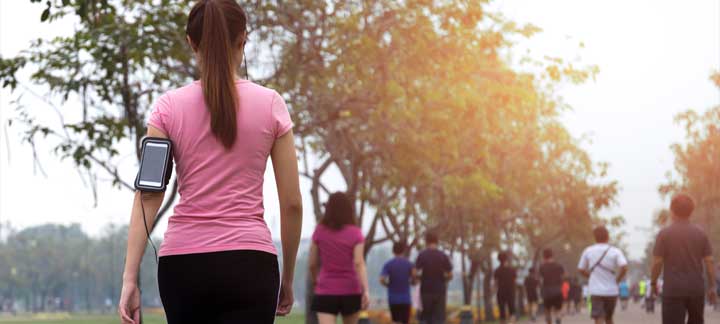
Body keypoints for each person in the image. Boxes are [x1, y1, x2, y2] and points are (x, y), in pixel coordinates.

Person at [117, 1, 303, 323]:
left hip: (184, 268)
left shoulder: (166, 109)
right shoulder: (271, 104)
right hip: (251, 265)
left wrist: (129, 278)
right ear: (243, 38)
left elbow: (148, 194)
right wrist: (287, 277)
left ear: (191, 42)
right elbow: (292, 204)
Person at [650, 193, 717, 324]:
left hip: (673, 290)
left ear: (672, 211)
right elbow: (709, 261)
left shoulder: (664, 234)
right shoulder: (701, 233)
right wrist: (712, 286)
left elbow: (657, 262)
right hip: (696, 289)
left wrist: (653, 283)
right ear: (691, 211)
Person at [310, 192, 370, 324]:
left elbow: (312, 263)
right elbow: (359, 263)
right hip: (351, 290)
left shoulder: (319, 231)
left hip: (326, 290)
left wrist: (316, 281)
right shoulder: (356, 233)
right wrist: (365, 290)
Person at [578, 226, 628, 324]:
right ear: (607, 237)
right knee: (609, 318)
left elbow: (580, 269)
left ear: (595, 237)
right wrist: (617, 279)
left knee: (598, 318)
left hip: (596, 291)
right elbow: (624, 267)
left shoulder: (588, 251)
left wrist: (590, 276)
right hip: (611, 291)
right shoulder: (615, 251)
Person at [415, 232, 453, 324]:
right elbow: (450, 274)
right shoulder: (443, 255)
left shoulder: (422, 255)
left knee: (426, 317)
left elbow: (415, 272)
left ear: (426, 242)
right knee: (439, 318)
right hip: (440, 290)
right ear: (437, 242)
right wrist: (444, 279)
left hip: (426, 290)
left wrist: (420, 278)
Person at [380, 242, 416, 324]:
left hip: (393, 298)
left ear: (393, 251)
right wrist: (412, 282)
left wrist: (387, 285)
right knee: (405, 321)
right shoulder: (409, 264)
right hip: (406, 299)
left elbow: (381, 279)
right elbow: (414, 276)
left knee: (395, 321)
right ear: (403, 251)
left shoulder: (388, 264)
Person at [539, 248, 565, 324]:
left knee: (547, 310)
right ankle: (558, 319)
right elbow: (563, 277)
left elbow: (540, 279)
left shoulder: (542, 267)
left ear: (543, 256)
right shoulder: (559, 266)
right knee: (558, 309)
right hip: (557, 290)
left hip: (547, 291)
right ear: (552, 255)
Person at [494, 252, 517, 324]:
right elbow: (514, 281)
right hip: (511, 292)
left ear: (498, 260)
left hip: (501, 292)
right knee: (512, 311)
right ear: (506, 259)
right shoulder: (512, 270)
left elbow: (495, 283)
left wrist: (493, 293)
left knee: (502, 312)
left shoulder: (497, 270)